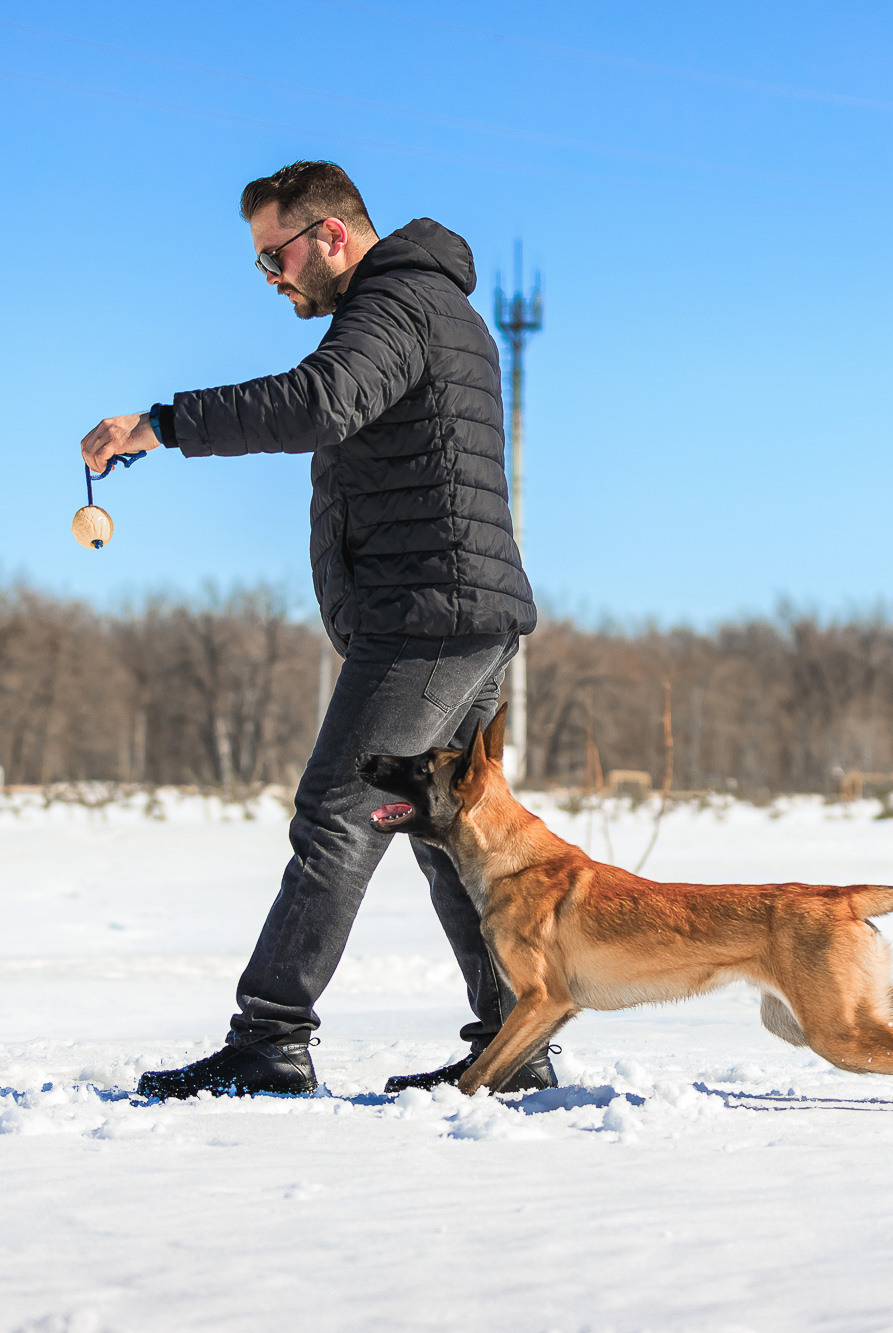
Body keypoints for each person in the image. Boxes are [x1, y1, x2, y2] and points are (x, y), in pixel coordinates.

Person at [79, 161, 551, 1099]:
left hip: (431, 617)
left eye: (276, 256)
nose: (272, 279)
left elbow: (317, 401)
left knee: (336, 818)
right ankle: (513, 1043)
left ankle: (270, 1040)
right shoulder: (424, 305)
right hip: (459, 609)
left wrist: (162, 424)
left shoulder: (395, 304)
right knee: (438, 825)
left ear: (331, 233)